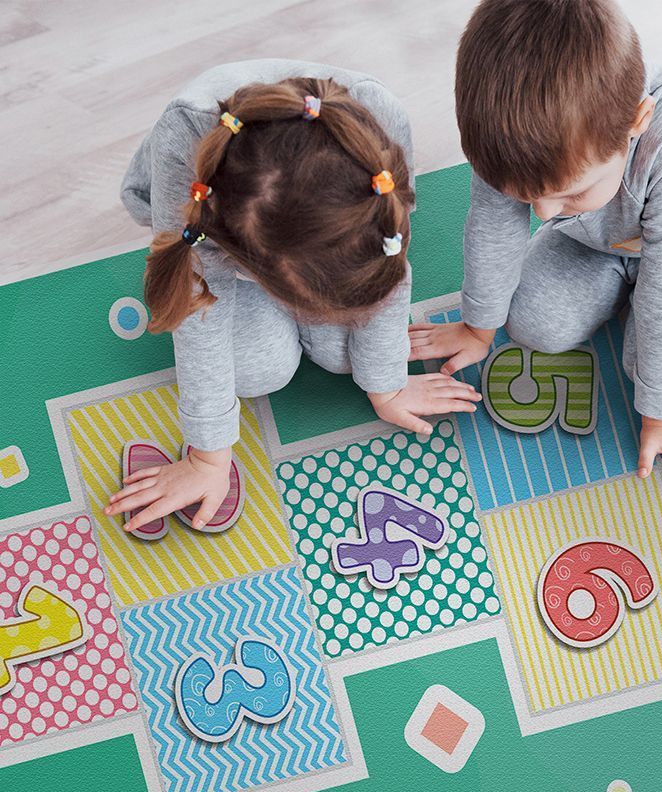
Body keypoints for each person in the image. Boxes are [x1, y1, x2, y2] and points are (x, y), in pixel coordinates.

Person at [410, 0, 662, 489]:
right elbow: (492, 224)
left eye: (568, 192)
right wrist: (478, 326)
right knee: (531, 322)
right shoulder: (508, 134)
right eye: (530, 198)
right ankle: (615, 273)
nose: (542, 213)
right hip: (608, 237)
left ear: (637, 120)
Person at [107, 60, 480, 533]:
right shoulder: (186, 143)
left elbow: (389, 262)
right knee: (259, 370)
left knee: (348, 357)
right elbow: (196, 302)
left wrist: (387, 382)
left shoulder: (379, 125)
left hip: (291, 236)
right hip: (209, 223)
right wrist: (207, 456)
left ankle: (334, 313)